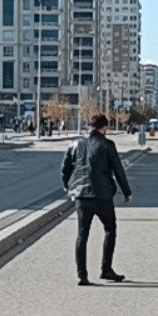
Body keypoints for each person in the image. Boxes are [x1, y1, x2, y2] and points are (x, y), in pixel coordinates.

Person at [62, 114, 132, 286]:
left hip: (81, 196)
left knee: (82, 234)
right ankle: (106, 269)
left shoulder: (76, 144)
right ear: (103, 128)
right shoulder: (107, 145)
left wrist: (67, 185)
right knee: (110, 229)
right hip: (102, 196)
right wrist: (127, 192)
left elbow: (65, 167)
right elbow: (118, 170)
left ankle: (82, 275)